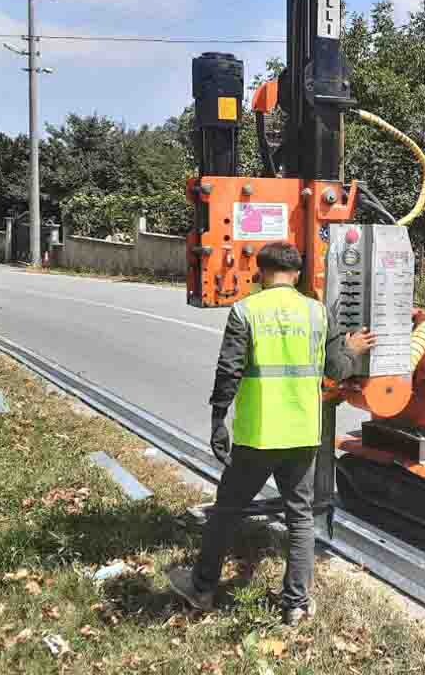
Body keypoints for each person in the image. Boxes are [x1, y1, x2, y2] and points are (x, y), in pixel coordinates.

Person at [167, 241, 376, 626]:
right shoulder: (316, 313)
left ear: (260, 273)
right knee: (299, 518)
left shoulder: (246, 310)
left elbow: (228, 370)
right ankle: (295, 604)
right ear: (296, 275)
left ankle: (202, 589)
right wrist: (352, 350)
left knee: (226, 513)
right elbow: (334, 369)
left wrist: (218, 419)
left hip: (258, 434)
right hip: (302, 433)